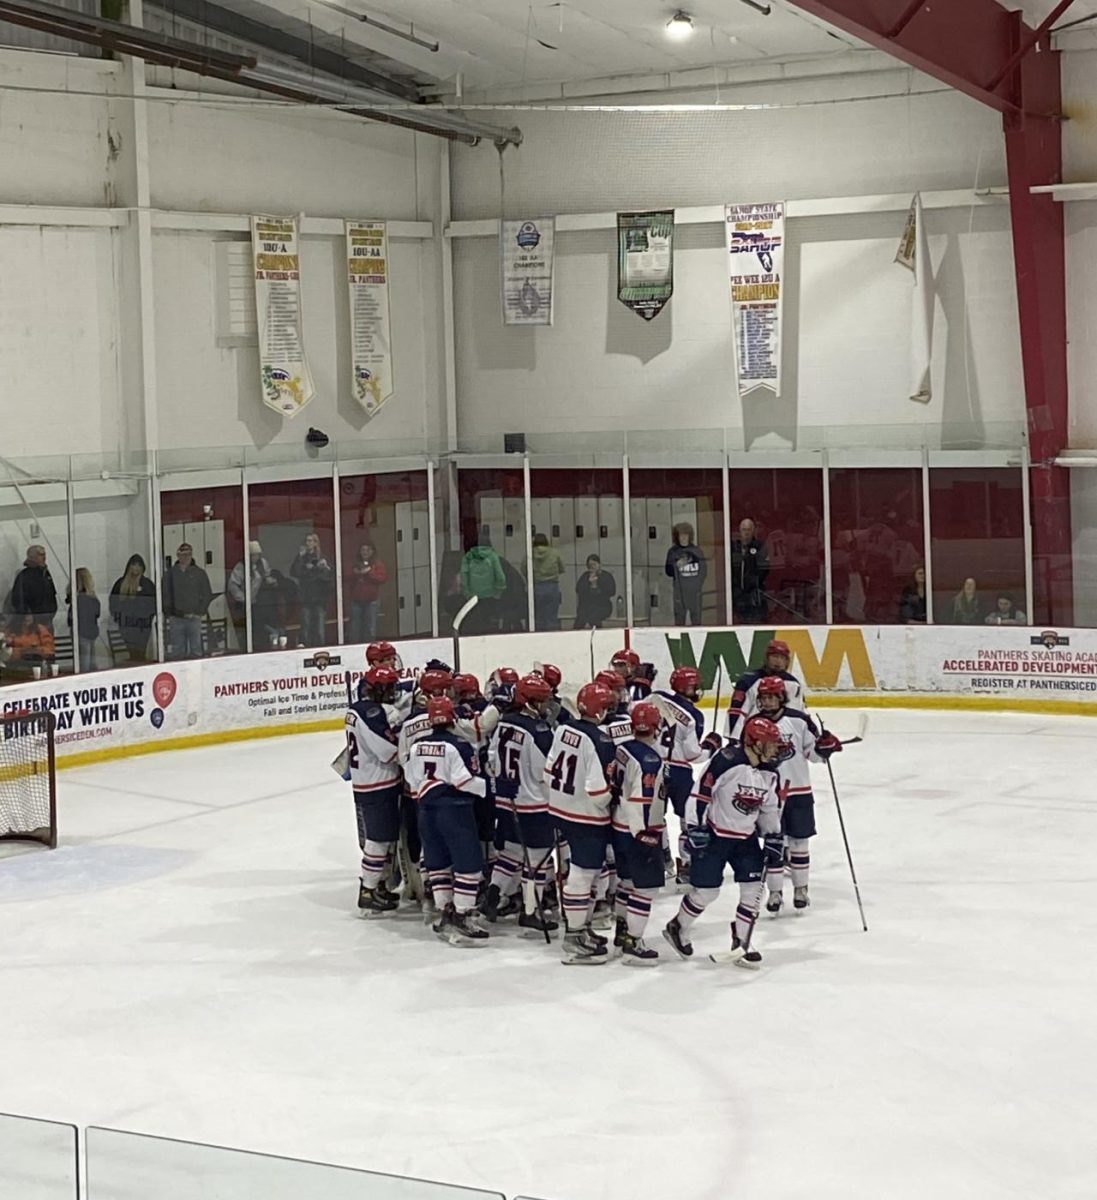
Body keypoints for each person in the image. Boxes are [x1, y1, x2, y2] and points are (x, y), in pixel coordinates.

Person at [662, 715, 784, 969]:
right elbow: (700, 794)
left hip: (745, 839)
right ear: (755, 743)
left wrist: (773, 835)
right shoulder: (726, 761)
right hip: (715, 835)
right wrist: (694, 828)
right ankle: (678, 926)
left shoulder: (770, 772)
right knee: (707, 892)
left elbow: (770, 807)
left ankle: (742, 940)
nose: (775, 749)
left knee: (752, 890)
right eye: (770, 743)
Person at [404, 696, 489, 947]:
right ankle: (461, 915)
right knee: (468, 865)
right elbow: (465, 781)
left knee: (438, 862)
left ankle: (444, 912)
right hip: (455, 811)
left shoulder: (416, 746)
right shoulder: (459, 746)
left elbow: (411, 778)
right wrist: (490, 787)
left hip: (426, 811)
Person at [753, 676, 841, 914]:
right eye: (764, 697)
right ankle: (774, 893)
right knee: (774, 844)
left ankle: (801, 889)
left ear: (782, 697)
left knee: (799, 843)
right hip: (769, 795)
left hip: (799, 792)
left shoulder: (800, 721)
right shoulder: (754, 724)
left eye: (772, 696)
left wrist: (825, 748)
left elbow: (813, 754)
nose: (768, 702)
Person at [544, 681, 617, 965]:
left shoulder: (563, 729)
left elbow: (549, 772)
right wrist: (616, 797)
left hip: (560, 808)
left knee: (579, 871)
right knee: (584, 873)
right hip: (586, 816)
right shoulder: (601, 740)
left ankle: (581, 929)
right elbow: (599, 793)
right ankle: (574, 936)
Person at [484, 673, 558, 935]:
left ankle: (492, 898)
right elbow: (546, 771)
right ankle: (530, 912)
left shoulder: (503, 723)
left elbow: (491, 759)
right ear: (528, 702)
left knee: (510, 854)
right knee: (535, 861)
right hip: (534, 805)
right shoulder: (539, 731)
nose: (545, 706)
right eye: (541, 701)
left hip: (506, 802)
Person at [609, 702, 668, 966]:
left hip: (619, 826)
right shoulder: (650, 760)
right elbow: (643, 800)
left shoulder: (622, 748)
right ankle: (633, 941)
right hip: (639, 830)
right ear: (656, 728)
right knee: (646, 888)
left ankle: (622, 933)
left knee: (627, 883)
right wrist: (645, 834)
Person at [652, 666, 721, 888]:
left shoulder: (657, 698)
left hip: (651, 766)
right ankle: (687, 865)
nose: (697, 690)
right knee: (687, 819)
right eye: (694, 686)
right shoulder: (694, 716)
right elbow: (693, 754)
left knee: (654, 818)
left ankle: (660, 860)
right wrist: (711, 747)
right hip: (679, 771)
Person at [345, 664, 403, 917]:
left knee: (384, 839)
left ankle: (376, 886)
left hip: (369, 782)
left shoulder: (359, 710)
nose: (393, 692)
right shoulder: (370, 712)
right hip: (377, 785)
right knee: (378, 840)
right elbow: (387, 751)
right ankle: (367, 891)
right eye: (389, 687)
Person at [726, 639, 804, 740]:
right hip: (755, 739)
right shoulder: (748, 681)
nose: (778, 661)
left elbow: (799, 714)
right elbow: (736, 711)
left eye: (782, 658)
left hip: (786, 739)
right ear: (767, 658)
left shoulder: (794, 684)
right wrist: (734, 739)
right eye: (775, 656)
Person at [163, 542, 213, 660]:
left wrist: (199, 612)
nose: (185, 557)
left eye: (188, 555)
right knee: (177, 650)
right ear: (178, 555)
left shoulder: (199, 573)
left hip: (194, 618)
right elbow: (165, 595)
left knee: (196, 649)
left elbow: (207, 594)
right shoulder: (170, 574)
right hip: (176, 618)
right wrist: (170, 613)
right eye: (182, 554)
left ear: (192, 555)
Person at [228, 541, 280, 649]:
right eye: (254, 555)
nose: (256, 557)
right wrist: (243, 599)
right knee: (250, 627)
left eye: (258, 554)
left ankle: (263, 643)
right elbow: (233, 585)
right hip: (245, 604)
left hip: (259, 601)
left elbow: (266, 575)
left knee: (261, 624)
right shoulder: (241, 566)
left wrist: (271, 581)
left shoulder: (263, 563)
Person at [109, 554, 157, 663]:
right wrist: (119, 618)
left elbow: (154, 603)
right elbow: (113, 602)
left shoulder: (147, 584)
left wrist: (148, 618)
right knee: (132, 652)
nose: (136, 568)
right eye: (133, 565)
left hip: (142, 626)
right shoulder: (120, 583)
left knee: (140, 652)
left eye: (138, 565)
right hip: (126, 625)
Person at [290, 532, 333, 647]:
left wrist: (321, 569)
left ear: (315, 543)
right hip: (306, 597)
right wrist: (300, 557)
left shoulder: (322, 557)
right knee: (306, 626)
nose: (308, 543)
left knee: (319, 628)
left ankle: (320, 648)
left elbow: (327, 577)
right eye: (306, 541)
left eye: (310, 541)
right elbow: (294, 572)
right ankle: (306, 648)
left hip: (319, 598)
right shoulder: (302, 558)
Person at [459, 538, 506, 632]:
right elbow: (500, 577)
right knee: (488, 623)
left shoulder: (468, 557)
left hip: (473, 598)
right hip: (490, 597)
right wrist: (498, 592)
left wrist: (467, 593)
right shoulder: (493, 556)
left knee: (475, 623)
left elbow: (463, 577)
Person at [664, 522, 707, 626]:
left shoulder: (696, 551)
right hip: (680, 594)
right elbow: (668, 572)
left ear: (690, 536)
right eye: (680, 535)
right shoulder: (673, 552)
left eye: (685, 535)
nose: (683, 538)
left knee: (696, 621)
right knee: (679, 622)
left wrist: (697, 586)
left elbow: (703, 571)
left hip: (694, 593)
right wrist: (676, 565)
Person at [8, 545, 58, 630]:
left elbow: (52, 594)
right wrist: (27, 614)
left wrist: (52, 613)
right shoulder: (25, 576)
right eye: (40, 554)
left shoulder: (45, 574)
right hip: (32, 624)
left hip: (47, 621)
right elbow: (17, 599)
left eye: (44, 554)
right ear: (32, 557)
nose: (44, 557)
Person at [731, 518, 769, 624]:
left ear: (753, 531)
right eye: (744, 529)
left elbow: (765, 568)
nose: (746, 532)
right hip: (738, 593)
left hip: (754, 592)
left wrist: (754, 582)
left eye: (748, 529)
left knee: (757, 621)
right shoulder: (734, 547)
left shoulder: (759, 546)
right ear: (740, 531)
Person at [349, 542, 387, 643]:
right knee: (355, 628)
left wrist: (369, 573)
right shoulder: (355, 564)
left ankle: (370, 648)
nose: (365, 552)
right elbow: (347, 578)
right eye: (363, 550)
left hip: (372, 600)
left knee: (370, 628)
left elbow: (382, 578)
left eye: (367, 550)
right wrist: (356, 573)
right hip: (356, 600)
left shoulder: (377, 564)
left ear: (372, 551)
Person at [526, 532, 565, 631]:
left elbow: (524, 568)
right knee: (551, 617)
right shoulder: (554, 553)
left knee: (538, 617)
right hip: (552, 587)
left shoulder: (530, 553)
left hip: (537, 587)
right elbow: (562, 568)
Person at [0, 613, 55, 680]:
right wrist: (22, 651)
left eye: (29, 614)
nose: (27, 617)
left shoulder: (40, 629)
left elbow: (50, 650)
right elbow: (6, 653)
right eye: (24, 615)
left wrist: (37, 650)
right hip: (15, 667)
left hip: (37, 665)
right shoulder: (11, 630)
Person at [66, 568, 100, 672]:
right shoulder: (93, 599)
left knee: (83, 665)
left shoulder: (77, 600)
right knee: (91, 664)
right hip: (91, 632)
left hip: (80, 633)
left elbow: (70, 618)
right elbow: (97, 614)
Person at [575, 554, 615, 630]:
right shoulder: (585, 576)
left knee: (594, 617)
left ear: (599, 564)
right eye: (590, 565)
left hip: (603, 606)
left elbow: (612, 591)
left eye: (594, 564)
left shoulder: (606, 576)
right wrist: (588, 582)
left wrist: (598, 582)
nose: (592, 567)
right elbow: (578, 589)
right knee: (580, 619)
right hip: (587, 606)